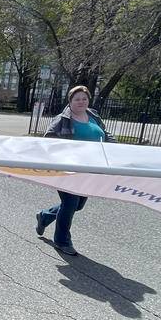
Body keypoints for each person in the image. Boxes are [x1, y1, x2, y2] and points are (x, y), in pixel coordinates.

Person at [36, 85, 114, 256]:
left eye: (84, 99)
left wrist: (117, 149)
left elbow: (107, 135)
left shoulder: (93, 115)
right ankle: (62, 241)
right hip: (68, 170)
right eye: (77, 99)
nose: (81, 102)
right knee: (70, 203)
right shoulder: (63, 119)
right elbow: (48, 139)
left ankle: (45, 216)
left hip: (90, 170)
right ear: (70, 101)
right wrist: (64, 155)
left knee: (78, 205)